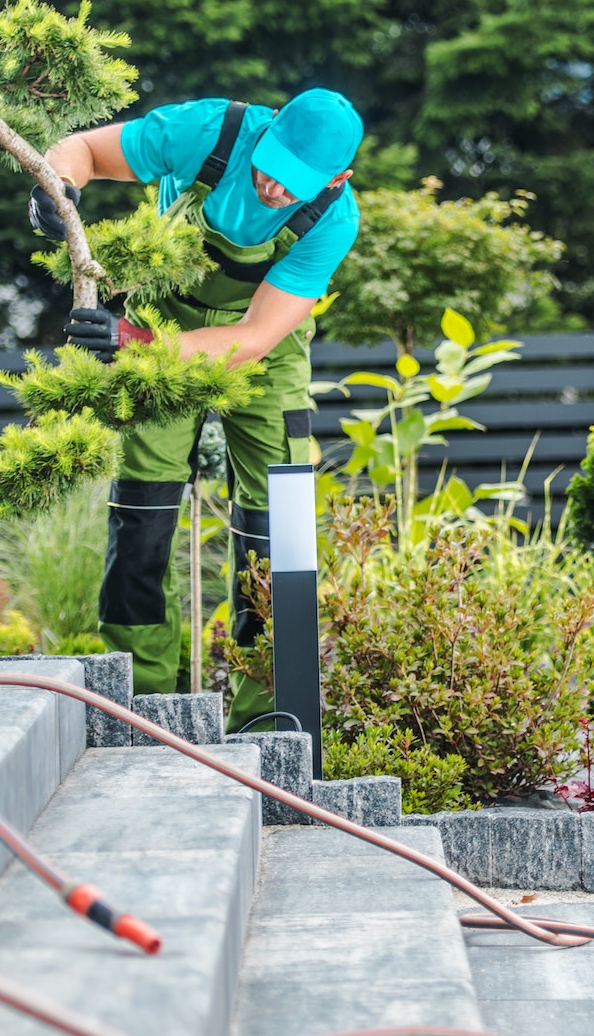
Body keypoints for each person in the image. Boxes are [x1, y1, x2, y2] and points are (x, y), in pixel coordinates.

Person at [29, 90, 363, 731]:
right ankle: (139, 701)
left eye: (292, 183)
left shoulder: (333, 220)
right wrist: (57, 188)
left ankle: (271, 717)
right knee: (143, 509)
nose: (271, 187)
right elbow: (83, 149)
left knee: (278, 520)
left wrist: (135, 347)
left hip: (262, 353)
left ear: (336, 180)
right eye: (269, 166)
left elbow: (254, 338)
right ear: (266, 132)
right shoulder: (211, 130)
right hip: (165, 315)